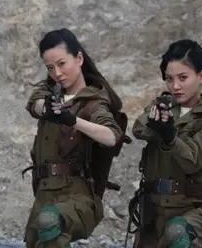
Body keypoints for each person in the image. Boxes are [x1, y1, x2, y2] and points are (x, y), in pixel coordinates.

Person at [24, 28, 124, 247]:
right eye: (50, 68)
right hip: (44, 193)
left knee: (50, 223)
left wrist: (72, 120)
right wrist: (47, 109)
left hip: (77, 195)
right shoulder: (49, 93)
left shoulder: (93, 102)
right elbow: (34, 103)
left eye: (62, 64)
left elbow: (111, 136)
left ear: (79, 58)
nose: (57, 73)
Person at [131, 39, 202, 247]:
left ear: (201, 76)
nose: (175, 86)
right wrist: (156, 125)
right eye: (169, 79)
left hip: (193, 209)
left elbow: (193, 159)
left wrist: (170, 135)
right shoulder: (163, 105)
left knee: (177, 233)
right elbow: (138, 128)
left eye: (183, 78)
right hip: (154, 211)